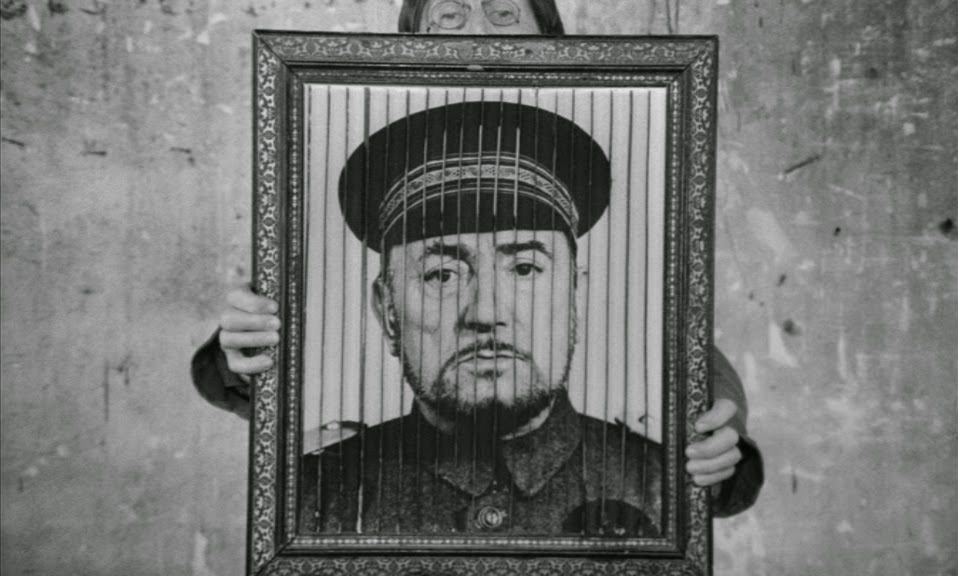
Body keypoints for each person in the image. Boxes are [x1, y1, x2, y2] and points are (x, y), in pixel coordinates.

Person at [191, 0, 763, 524]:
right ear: (387, 310)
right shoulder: (326, 488)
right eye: (450, 17)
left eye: (504, 14)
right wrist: (241, 353)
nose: (486, 313)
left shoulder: (644, 472)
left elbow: (683, 358)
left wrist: (719, 443)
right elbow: (283, 353)